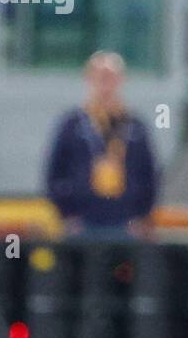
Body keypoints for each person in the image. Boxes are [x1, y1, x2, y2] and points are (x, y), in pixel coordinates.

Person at [44, 51, 159, 236]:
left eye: (111, 77)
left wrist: (142, 216)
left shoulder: (135, 125)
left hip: (126, 223)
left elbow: (150, 174)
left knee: (123, 266)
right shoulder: (72, 124)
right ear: (88, 79)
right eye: (100, 77)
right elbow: (54, 172)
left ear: (121, 80)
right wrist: (67, 215)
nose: (106, 83)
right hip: (82, 223)